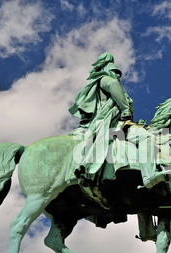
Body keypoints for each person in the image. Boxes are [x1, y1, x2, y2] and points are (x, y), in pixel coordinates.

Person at [69, 53, 165, 188]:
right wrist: (125, 109)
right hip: (115, 124)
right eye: (115, 71)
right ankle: (149, 176)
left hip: (114, 124)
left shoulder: (99, 83)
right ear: (107, 70)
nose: (118, 76)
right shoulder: (106, 80)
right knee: (146, 137)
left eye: (119, 73)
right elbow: (114, 85)